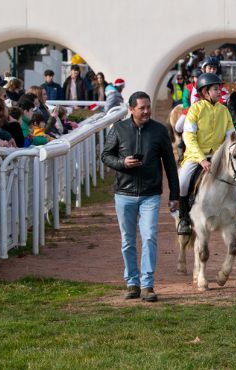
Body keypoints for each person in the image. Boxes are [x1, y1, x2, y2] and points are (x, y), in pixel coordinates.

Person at [102, 91, 179, 302]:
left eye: (148, 107)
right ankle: (132, 282)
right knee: (127, 241)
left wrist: (175, 193)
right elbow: (106, 155)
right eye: (141, 108)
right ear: (131, 109)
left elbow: (170, 164)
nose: (146, 111)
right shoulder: (118, 129)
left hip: (150, 194)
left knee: (149, 237)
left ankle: (147, 285)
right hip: (124, 194)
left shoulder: (160, 130)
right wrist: (122, 163)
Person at [176, 73, 235, 235]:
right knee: (182, 181)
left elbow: (231, 136)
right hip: (195, 156)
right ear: (205, 92)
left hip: (218, 156)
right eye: (216, 89)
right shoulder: (195, 109)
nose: (219, 92)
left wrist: (229, 153)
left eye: (219, 89)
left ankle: (233, 212)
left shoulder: (224, 110)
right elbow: (188, 137)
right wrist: (202, 159)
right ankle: (183, 219)